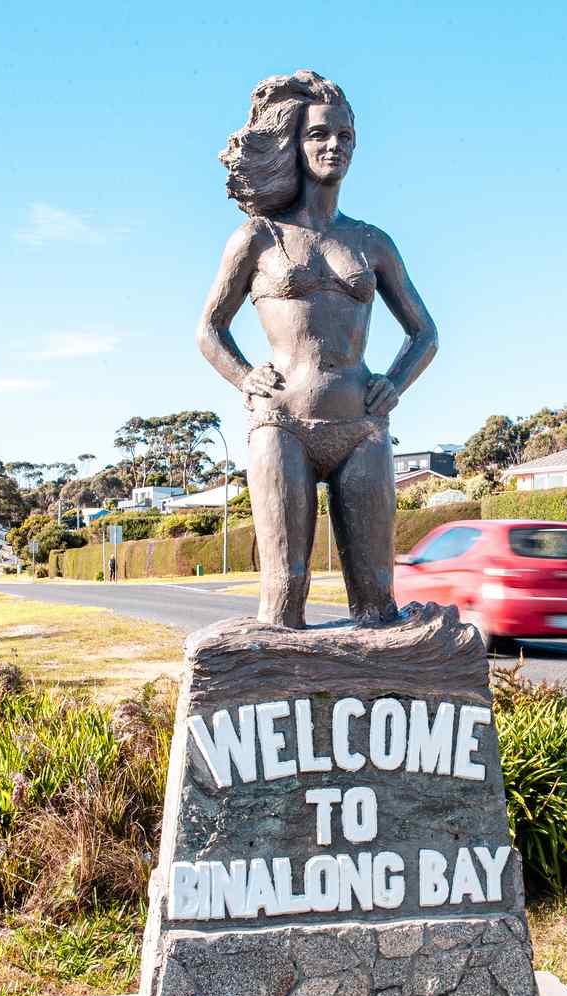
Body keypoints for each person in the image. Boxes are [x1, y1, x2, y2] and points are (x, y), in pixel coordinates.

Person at [197, 71, 438, 628]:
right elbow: (210, 329)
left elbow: (424, 333)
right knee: (283, 598)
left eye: (345, 136)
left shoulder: (372, 242)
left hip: (363, 428)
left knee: (378, 603)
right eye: (319, 134)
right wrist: (244, 377)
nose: (334, 146)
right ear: (294, 143)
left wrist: (394, 384)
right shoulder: (258, 238)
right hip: (282, 425)